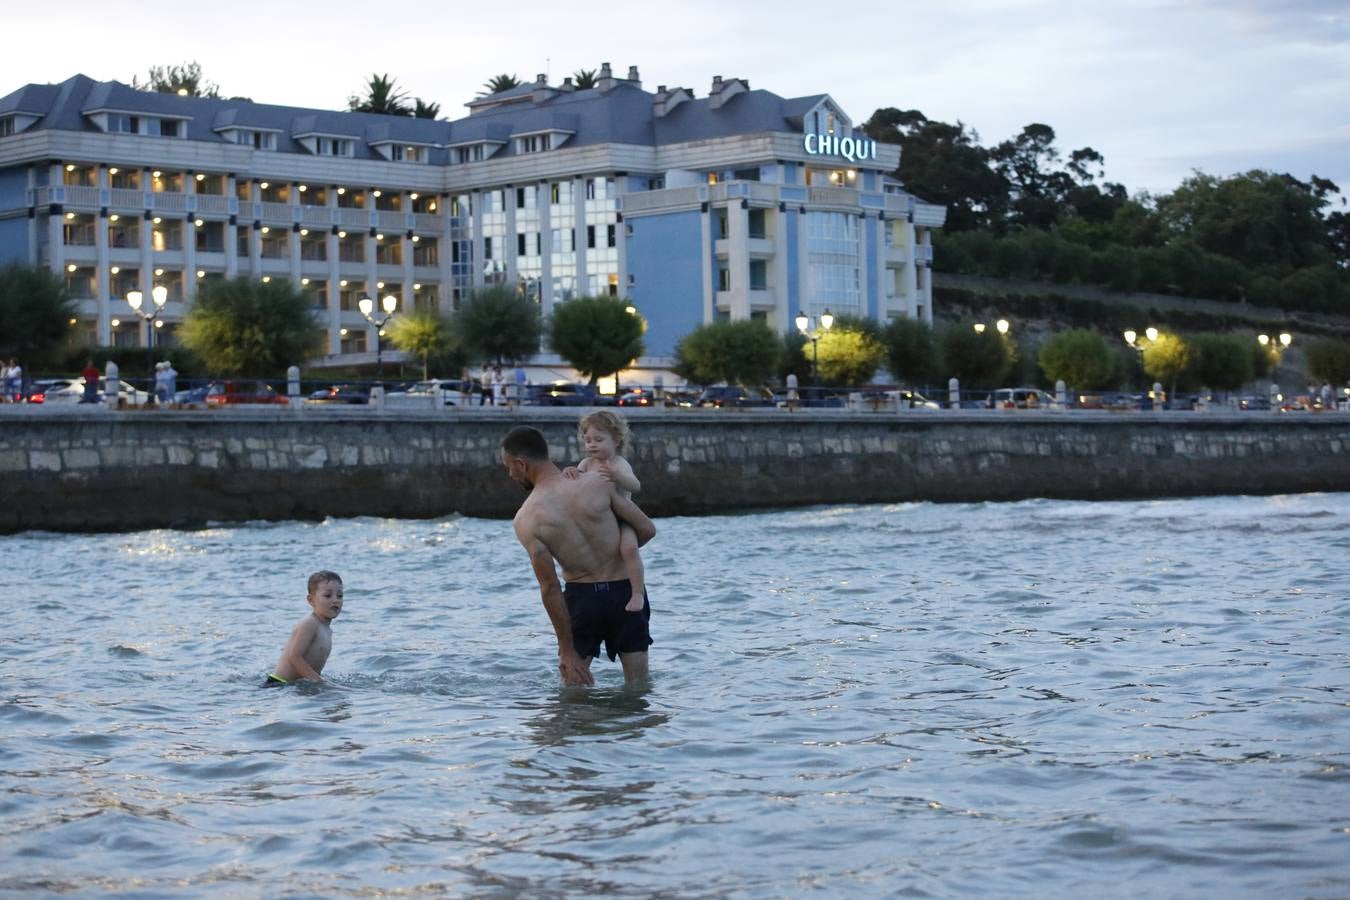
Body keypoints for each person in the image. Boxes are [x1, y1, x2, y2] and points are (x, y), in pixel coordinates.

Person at [501, 425, 656, 686]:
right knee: (638, 688)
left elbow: (550, 587)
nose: (510, 474)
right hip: (626, 592)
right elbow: (647, 529)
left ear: (521, 464)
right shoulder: (597, 483)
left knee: (572, 694)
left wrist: (566, 650)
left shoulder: (526, 518)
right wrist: (617, 552)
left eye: (509, 467)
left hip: (583, 601)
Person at [564, 411, 647, 612]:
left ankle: (637, 593)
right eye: (588, 440)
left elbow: (636, 486)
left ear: (616, 440)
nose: (592, 445)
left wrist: (617, 477)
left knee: (628, 548)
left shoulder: (619, 464)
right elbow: (577, 487)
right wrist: (572, 472)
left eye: (599, 440)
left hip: (622, 519)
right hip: (597, 519)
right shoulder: (586, 464)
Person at [264, 570, 344, 687]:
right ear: (311, 600)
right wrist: (321, 682)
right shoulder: (310, 623)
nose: (335, 600)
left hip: (296, 685)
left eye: (340, 595)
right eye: (327, 596)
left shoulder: (327, 630)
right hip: (278, 685)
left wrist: (319, 680)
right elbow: (294, 657)